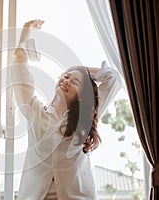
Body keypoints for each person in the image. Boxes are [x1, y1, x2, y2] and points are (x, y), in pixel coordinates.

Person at [10, 20, 122, 200]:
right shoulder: (36, 113)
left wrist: (83, 72)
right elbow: (19, 70)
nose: (67, 80)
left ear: (82, 96)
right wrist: (25, 34)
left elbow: (113, 78)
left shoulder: (84, 117)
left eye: (75, 82)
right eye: (66, 76)